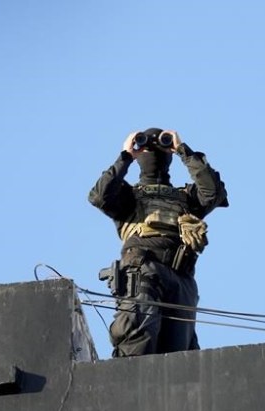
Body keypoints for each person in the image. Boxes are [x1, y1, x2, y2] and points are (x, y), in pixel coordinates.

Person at [88, 128, 228, 356]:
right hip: (145, 271)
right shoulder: (129, 197)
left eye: (160, 146)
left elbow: (213, 192)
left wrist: (183, 151)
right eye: (146, 146)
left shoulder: (185, 198)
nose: (152, 151)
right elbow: (99, 195)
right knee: (138, 336)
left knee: (180, 356)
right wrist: (126, 156)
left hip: (181, 278)